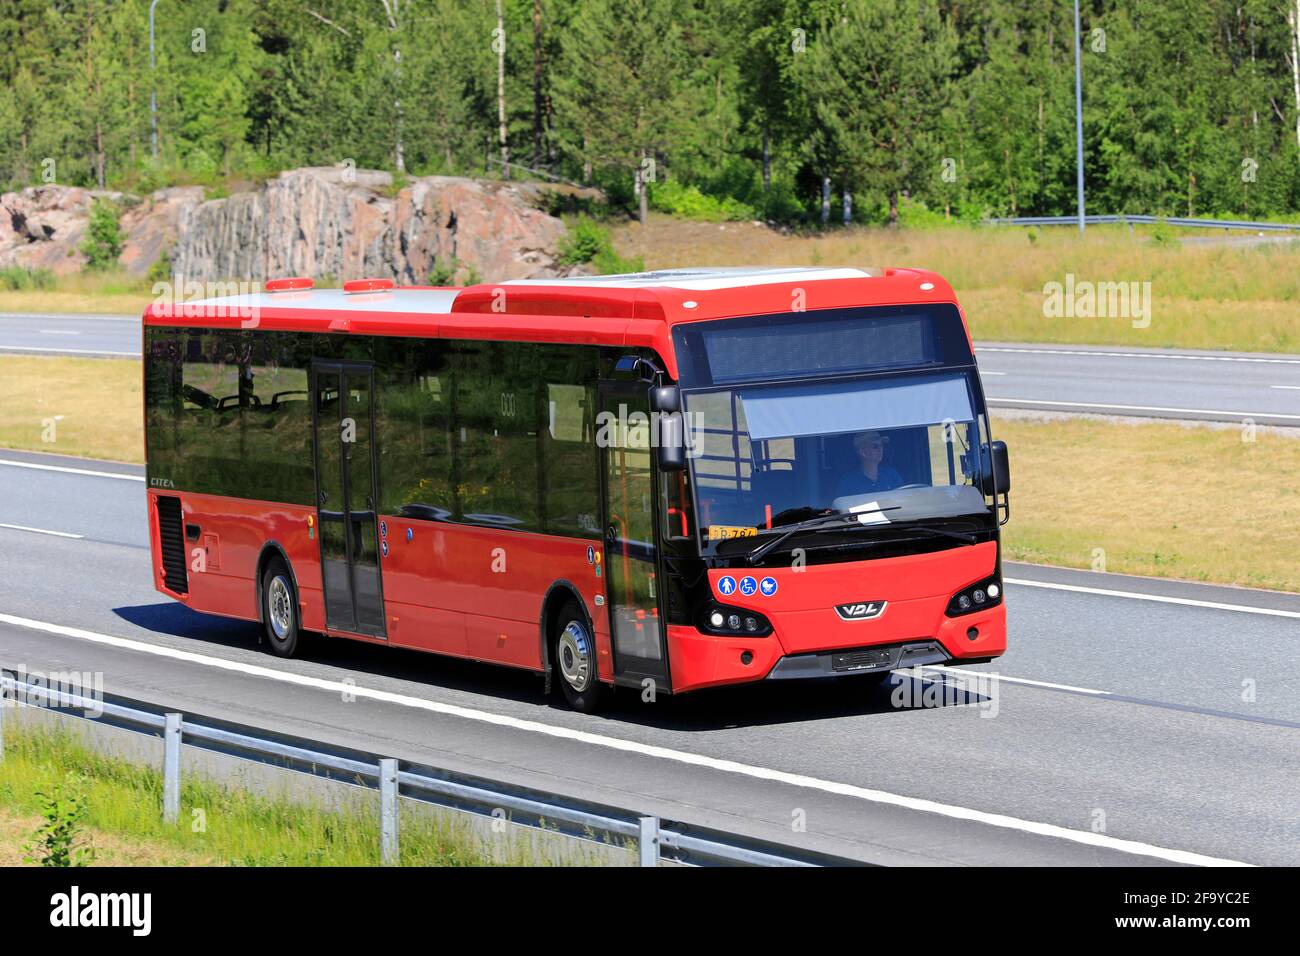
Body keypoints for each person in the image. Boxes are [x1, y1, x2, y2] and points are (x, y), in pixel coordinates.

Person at [835, 430, 904, 499]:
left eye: (881, 446)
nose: (880, 449)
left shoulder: (892, 474)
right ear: (863, 452)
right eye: (875, 446)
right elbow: (843, 508)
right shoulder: (848, 482)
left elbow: (903, 499)